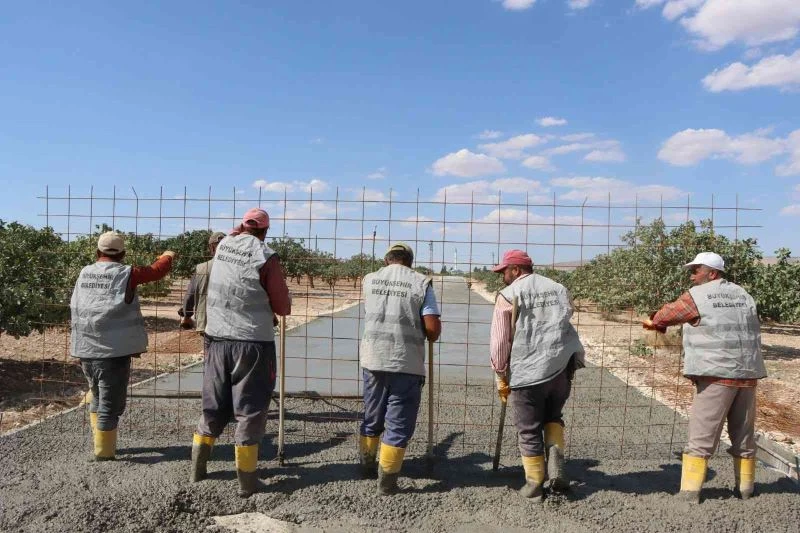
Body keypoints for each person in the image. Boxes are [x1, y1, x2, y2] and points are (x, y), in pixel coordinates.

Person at [644, 252, 766, 503]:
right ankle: (745, 491)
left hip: (716, 375)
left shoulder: (699, 295)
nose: (692, 274)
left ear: (712, 273)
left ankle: (689, 493)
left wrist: (654, 320)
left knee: (701, 435)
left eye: (696, 269)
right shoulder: (744, 294)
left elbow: (668, 315)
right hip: (748, 375)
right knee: (743, 435)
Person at [190, 208, 291, 498]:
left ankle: (197, 469)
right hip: (252, 344)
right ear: (265, 231)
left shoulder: (222, 246)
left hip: (217, 339)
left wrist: (240, 229)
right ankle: (247, 481)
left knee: (213, 405)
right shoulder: (265, 255)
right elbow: (282, 307)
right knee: (250, 409)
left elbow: (235, 234)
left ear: (242, 227)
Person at [70, 231, 175, 460]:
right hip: (112, 353)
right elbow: (157, 271)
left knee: (97, 395)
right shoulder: (126, 273)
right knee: (110, 404)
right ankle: (104, 454)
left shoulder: (85, 272)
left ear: (97, 252)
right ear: (123, 254)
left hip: (85, 349)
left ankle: (101, 442)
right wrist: (168, 255)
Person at [490, 249, 584, 501]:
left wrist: (500, 372)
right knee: (553, 416)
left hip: (529, 371)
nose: (502, 277)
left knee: (529, 427)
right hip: (561, 368)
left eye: (504, 272)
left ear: (517, 270)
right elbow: (567, 317)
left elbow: (500, 340)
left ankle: (534, 484)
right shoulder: (559, 288)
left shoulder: (508, 295)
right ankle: (555, 461)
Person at [359, 242, 441, 495]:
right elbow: (432, 330)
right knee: (398, 422)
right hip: (406, 362)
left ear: (387, 260)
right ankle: (388, 480)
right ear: (410, 261)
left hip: (373, 360)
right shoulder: (420, 282)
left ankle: (366, 465)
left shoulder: (369, 280)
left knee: (372, 415)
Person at [178, 231, 226, 354]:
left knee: (211, 359)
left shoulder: (201, 268)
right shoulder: (236, 268)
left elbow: (190, 295)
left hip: (207, 323)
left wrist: (187, 316)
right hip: (230, 325)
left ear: (211, 247)